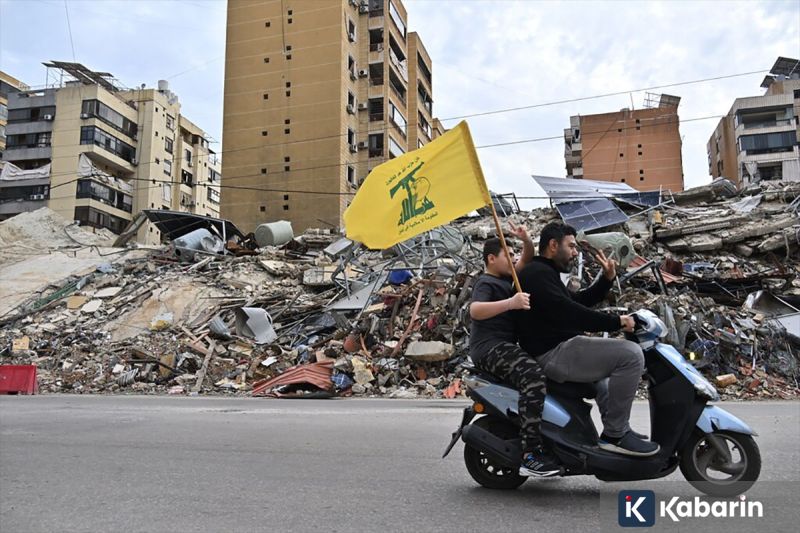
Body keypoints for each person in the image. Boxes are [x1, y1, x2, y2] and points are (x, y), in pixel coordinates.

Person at [516, 221, 659, 457]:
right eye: (571, 246)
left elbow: (578, 302)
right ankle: (616, 435)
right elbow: (572, 313)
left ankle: (615, 433)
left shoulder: (545, 274)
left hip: (560, 348)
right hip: (554, 352)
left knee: (605, 382)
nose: (575, 253)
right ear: (553, 245)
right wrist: (617, 322)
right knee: (631, 355)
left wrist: (607, 278)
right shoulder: (537, 274)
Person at [469, 224, 561, 477]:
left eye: (513, 256)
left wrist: (526, 239)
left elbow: (527, 258)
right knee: (533, 376)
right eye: (507, 256)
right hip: (489, 348)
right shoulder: (486, 282)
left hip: (505, 346)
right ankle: (530, 454)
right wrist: (510, 303)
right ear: (491, 259)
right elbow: (475, 310)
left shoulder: (508, 278)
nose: (513, 261)